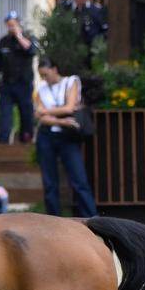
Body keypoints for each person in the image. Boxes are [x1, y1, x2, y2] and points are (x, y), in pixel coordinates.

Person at [34, 56, 97, 217]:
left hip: (67, 137)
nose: (44, 79)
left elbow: (69, 108)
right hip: (47, 136)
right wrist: (60, 120)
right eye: (41, 75)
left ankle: (91, 218)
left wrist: (46, 112)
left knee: (79, 180)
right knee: (50, 183)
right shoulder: (41, 90)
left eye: (46, 74)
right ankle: (54, 219)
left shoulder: (71, 82)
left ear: (54, 69)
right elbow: (40, 118)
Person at [0, 11, 37, 144]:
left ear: (18, 24)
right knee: (5, 116)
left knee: (26, 116)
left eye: (13, 25)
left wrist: (19, 35)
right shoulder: (3, 41)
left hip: (24, 85)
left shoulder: (28, 37)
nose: (11, 28)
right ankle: (3, 143)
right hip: (7, 85)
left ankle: (26, 141)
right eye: (9, 25)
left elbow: (30, 50)